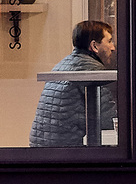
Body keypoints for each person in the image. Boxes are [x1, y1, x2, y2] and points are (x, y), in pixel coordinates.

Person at [29, 18, 117, 147]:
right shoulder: (91, 70)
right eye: (109, 41)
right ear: (94, 46)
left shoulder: (63, 64)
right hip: (68, 152)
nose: (113, 47)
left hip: (43, 147)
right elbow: (107, 119)